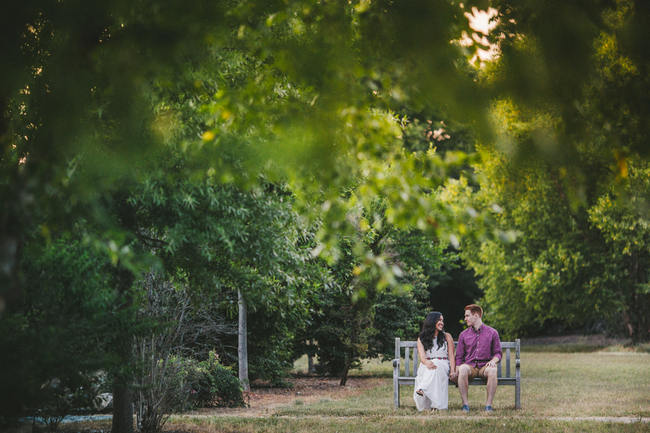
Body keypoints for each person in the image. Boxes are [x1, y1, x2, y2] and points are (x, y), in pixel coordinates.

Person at [450, 304, 502, 413]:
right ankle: (465, 405)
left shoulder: (492, 332)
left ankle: (488, 406)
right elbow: (459, 356)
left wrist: (493, 361)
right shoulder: (463, 335)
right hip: (470, 367)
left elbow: (498, 353)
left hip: (485, 367)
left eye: (467, 316)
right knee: (463, 369)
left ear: (476, 315)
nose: (465, 319)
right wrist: (456, 370)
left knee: (493, 370)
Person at [413, 312, 456, 411]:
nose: (442, 323)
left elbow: (451, 356)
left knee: (436, 365)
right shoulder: (421, 338)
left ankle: (423, 388)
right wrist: (427, 362)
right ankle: (435, 406)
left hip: (443, 364)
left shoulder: (447, 336)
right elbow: (423, 358)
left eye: (442, 320)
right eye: (439, 320)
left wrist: (452, 370)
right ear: (432, 321)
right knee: (433, 369)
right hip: (427, 365)